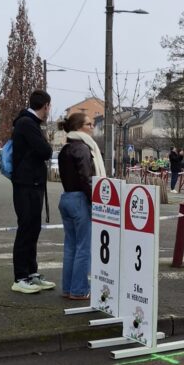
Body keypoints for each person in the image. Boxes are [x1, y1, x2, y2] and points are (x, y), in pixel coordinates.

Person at [10, 89, 55, 294]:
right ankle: (20, 277)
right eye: (49, 107)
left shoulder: (30, 123)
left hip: (32, 183)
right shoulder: (27, 123)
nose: (49, 111)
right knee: (26, 229)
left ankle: (31, 273)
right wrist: (46, 145)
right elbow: (45, 151)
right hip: (26, 184)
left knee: (33, 229)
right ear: (45, 106)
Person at [58, 111, 105, 300]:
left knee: (70, 246)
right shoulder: (84, 149)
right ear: (79, 127)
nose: (92, 127)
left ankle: (68, 288)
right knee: (84, 248)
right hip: (80, 200)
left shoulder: (66, 148)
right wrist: (96, 200)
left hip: (66, 198)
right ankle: (79, 290)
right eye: (89, 124)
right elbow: (86, 179)